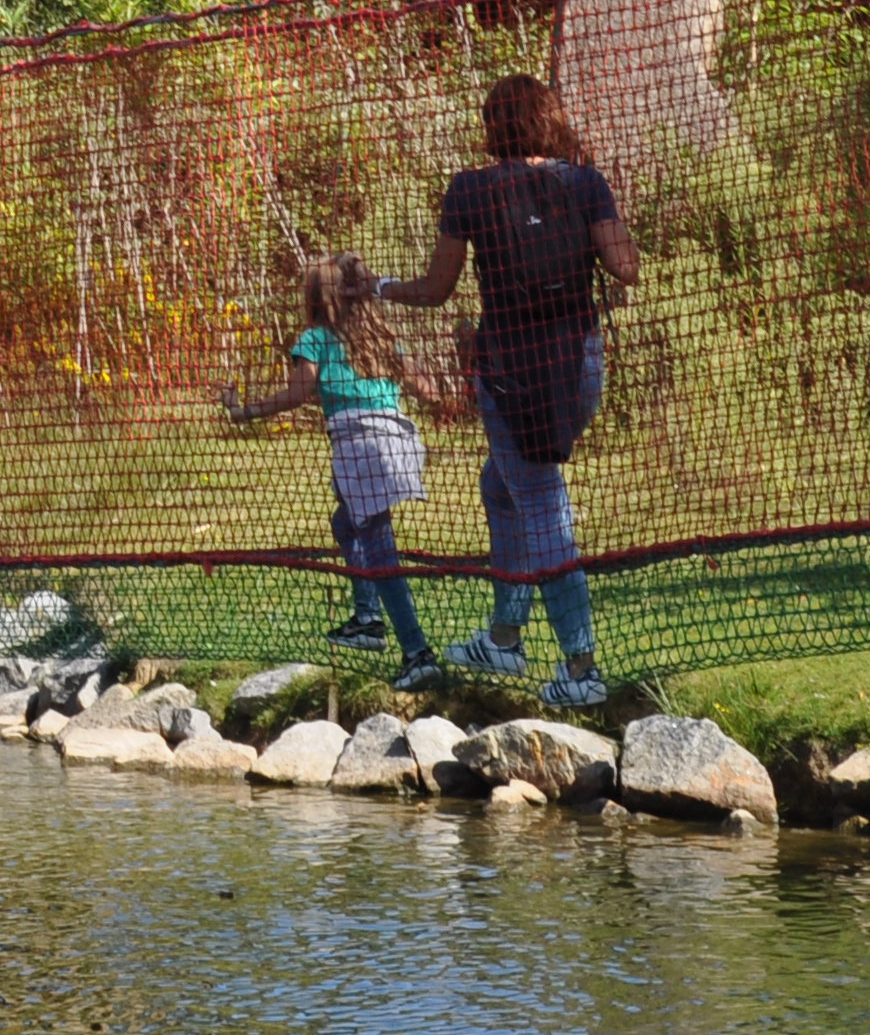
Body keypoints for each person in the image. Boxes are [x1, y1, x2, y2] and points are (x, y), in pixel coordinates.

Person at [365, 75, 640, 709]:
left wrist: (378, 288)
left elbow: (435, 289)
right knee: (503, 484)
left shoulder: (470, 188)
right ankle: (505, 637)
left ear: (493, 125)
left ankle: (581, 669)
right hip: (580, 366)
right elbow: (626, 267)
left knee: (543, 506)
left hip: (513, 371)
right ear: (550, 117)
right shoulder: (585, 181)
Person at [227, 250, 444, 686]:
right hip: (399, 441)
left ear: (315, 297)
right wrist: (437, 381)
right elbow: (429, 392)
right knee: (345, 524)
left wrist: (244, 412)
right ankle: (367, 619)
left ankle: (417, 653)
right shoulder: (381, 338)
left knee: (381, 551)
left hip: (360, 448)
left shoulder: (315, 340)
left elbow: (297, 394)